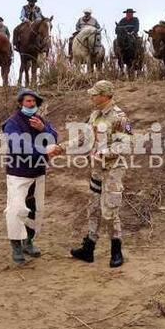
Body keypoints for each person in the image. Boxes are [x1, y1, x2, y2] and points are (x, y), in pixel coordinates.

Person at [47, 80, 132, 268]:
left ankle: (116, 250)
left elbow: (125, 145)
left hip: (113, 171)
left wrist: (103, 153)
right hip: (96, 170)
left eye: (95, 94)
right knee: (93, 208)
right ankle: (89, 248)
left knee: (110, 211)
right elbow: (83, 138)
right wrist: (60, 148)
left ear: (105, 95)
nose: (91, 96)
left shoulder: (120, 117)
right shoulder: (94, 115)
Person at [2, 88, 58, 265]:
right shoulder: (12, 123)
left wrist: (43, 130)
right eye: (27, 101)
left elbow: (53, 137)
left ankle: (28, 241)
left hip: (38, 173)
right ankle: (16, 246)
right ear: (20, 103)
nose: (31, 104)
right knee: (16, 209)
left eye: (33, 101)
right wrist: (44, 152)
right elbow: (18, 145)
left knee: (35, 209)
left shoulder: (40, 120)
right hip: (19, 173)